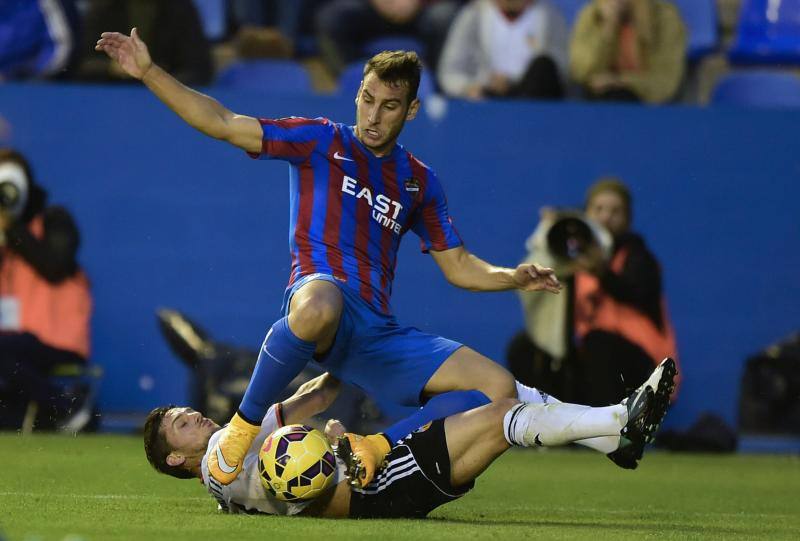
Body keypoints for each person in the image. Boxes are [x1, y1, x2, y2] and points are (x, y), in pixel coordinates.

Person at [95, 29, 563, 489]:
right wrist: (150, 72)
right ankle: (241, 428)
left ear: (412, 110)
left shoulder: (420, 182)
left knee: (497, 388)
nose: (373, 116)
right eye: (366, 99)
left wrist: (511, 277)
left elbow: (459, 266)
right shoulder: (321, 140)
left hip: (377, 331)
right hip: (318, 301)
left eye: (389, 105)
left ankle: (375, 448)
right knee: (321, 303)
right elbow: (222, 121)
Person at [143, 359, 677, 517]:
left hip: (375, 471)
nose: (200, 420)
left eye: (192, 413)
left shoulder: (237, 445)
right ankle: (617, 418)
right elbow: (255, 473)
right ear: (175, 456)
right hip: (374, 487)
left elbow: (311, 403)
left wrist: (340, 364)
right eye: (184, 423)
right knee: (496, 409)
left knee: (484, 397)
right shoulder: (219, 459)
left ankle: (610, 435)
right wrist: (325, 453)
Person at [511, 178, 679, 408]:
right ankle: (545, 424)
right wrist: (551, 236)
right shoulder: (573, 263)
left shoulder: (639, 256)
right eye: (598, 209)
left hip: (640, 363)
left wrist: (600, 270)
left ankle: (606, 431)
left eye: (615, 211)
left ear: (627, 219)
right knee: (526, 347)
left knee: (598, 344)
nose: (606, 217)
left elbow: (634, 290)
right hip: (590, 357)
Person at [0, 149, 92, 428]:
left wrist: (13, 228)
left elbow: (55, 266)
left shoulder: (54, 219)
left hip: (57, 341)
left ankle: (65, 407)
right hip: (14, 343)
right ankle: (61, 409)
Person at [438, 0, 568, 100]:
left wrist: (511, 83)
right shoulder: (474, 15)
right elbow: (450, 71)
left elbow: (563, 69)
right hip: (486, 97)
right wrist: (469, 87)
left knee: (543, 66)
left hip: (532, 96)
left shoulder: (549, 16)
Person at [569, 0, 686, 104]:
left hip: (645, 102)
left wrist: (621, 81)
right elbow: (582, 72)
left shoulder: (665, 18)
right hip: (599, 99)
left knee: (618, 96)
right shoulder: (592, 16)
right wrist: (607, 30)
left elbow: (665, 82)